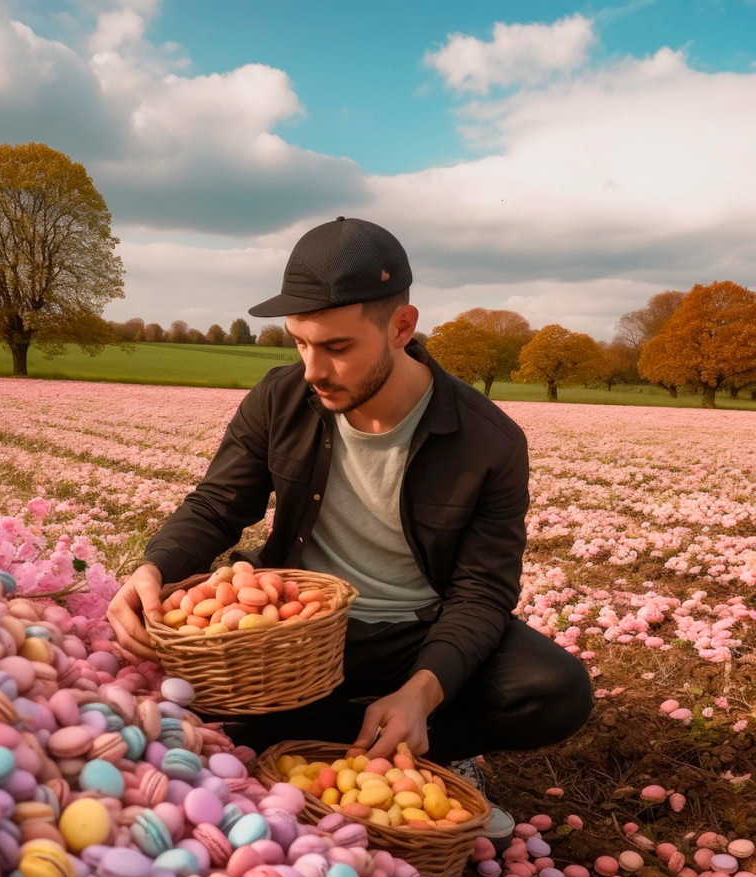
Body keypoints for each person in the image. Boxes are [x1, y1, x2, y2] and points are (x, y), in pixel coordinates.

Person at [107, 217, 595, 822]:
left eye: (336, 348)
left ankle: (407, 738)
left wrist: (422, 691)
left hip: (418, 630)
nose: (312, 369)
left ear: (401, 327)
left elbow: (482, 591)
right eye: (300, 343)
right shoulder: (278, 398)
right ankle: (371, 749)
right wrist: (154, 567)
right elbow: (217, 504)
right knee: (198, 706)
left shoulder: (490, 441)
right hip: (299, 632)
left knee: (555, 691)